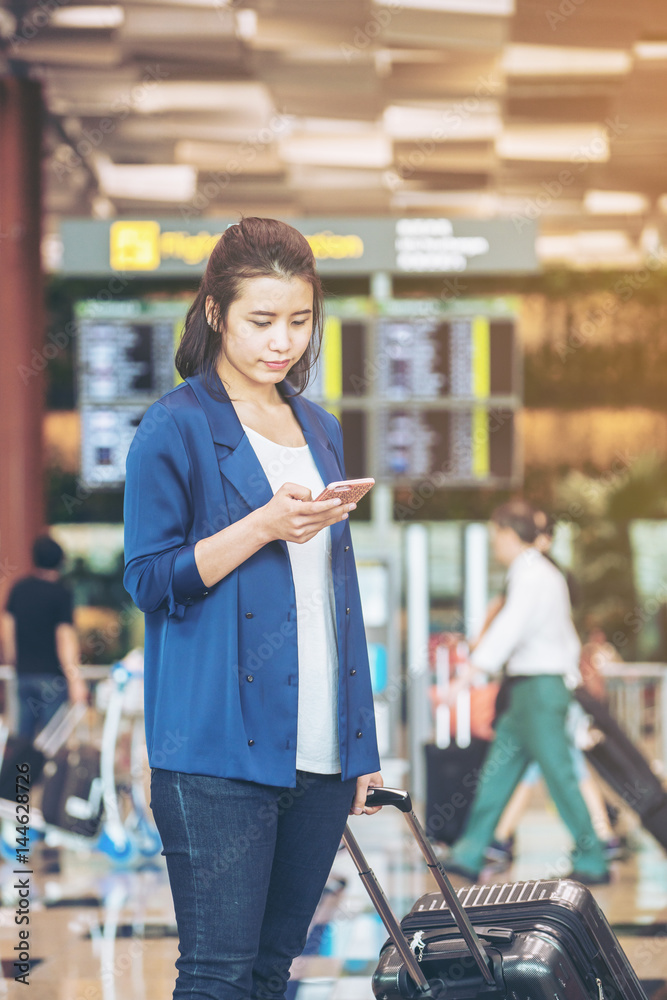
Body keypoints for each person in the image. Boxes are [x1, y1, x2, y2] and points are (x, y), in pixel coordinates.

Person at [123, 217, 383, 1000]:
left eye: (299, 322)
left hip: (317, 752)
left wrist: (358, 742)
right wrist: (262, 524)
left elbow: (336, 597)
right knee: (217, 972)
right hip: (213, 750)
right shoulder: (175, 426)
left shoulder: (318, 428)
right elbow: (149, 579)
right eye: (261, 321)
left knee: (273, 971)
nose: (283, 342)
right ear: (214, 313)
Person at [443, 500, 609, 885]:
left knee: (559, 774)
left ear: (509, 534)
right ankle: (470, 850)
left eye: (495, 536)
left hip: (540, 689)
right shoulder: (536, 571)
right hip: (526, 690)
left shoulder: (533, 573)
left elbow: (509, 628)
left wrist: (466, 677)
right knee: (498, 772)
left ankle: (592, 856)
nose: (494, 545)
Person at [1, 535, 87, 740]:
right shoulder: (61, 593)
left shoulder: (19, 588)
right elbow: (65, 639)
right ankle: (46, 773)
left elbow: (7, 628)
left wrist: (14, 660)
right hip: (51, 677)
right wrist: (75, 680)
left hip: (23, 675)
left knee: (23, 741)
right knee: (52, 742)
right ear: (61, 561)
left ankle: (23, 773)